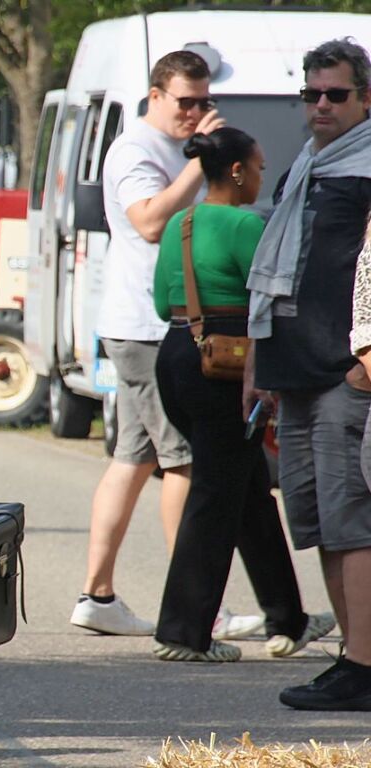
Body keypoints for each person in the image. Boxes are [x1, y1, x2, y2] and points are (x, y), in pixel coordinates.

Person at [71, 50, 263, 640]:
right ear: (155, 95)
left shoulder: (163, 145)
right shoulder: (134, 149)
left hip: (147, 328)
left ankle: (97, 595)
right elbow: (150, 222)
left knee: (133, 459)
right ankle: (200, 607)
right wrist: (200, 168)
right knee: (184, 462)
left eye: (206, 102)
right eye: (185, 102)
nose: (197, 113)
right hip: (146, 328)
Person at [151, 128, 335, 662]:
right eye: (256, 167)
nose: (260, 175)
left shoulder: (178, 224)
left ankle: (289, 619)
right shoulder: (244, 224)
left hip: (177, 355)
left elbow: (164, 300)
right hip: (227, 364)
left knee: (246, 487)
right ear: (235, 171)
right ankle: (184, 631)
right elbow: (274, 295)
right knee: (215, 491)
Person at [247, 38, 371, 710]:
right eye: (311, 94)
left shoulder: (367, 165)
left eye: (336, 94)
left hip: (343, 371)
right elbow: (283, 269)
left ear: (366, 98)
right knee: (318, 520)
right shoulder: (307, 162)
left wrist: (364, 362)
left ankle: (364, 664)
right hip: (291, 367)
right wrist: (259, 365)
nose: (320, 105)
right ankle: (353, 655)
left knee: (353, 520)